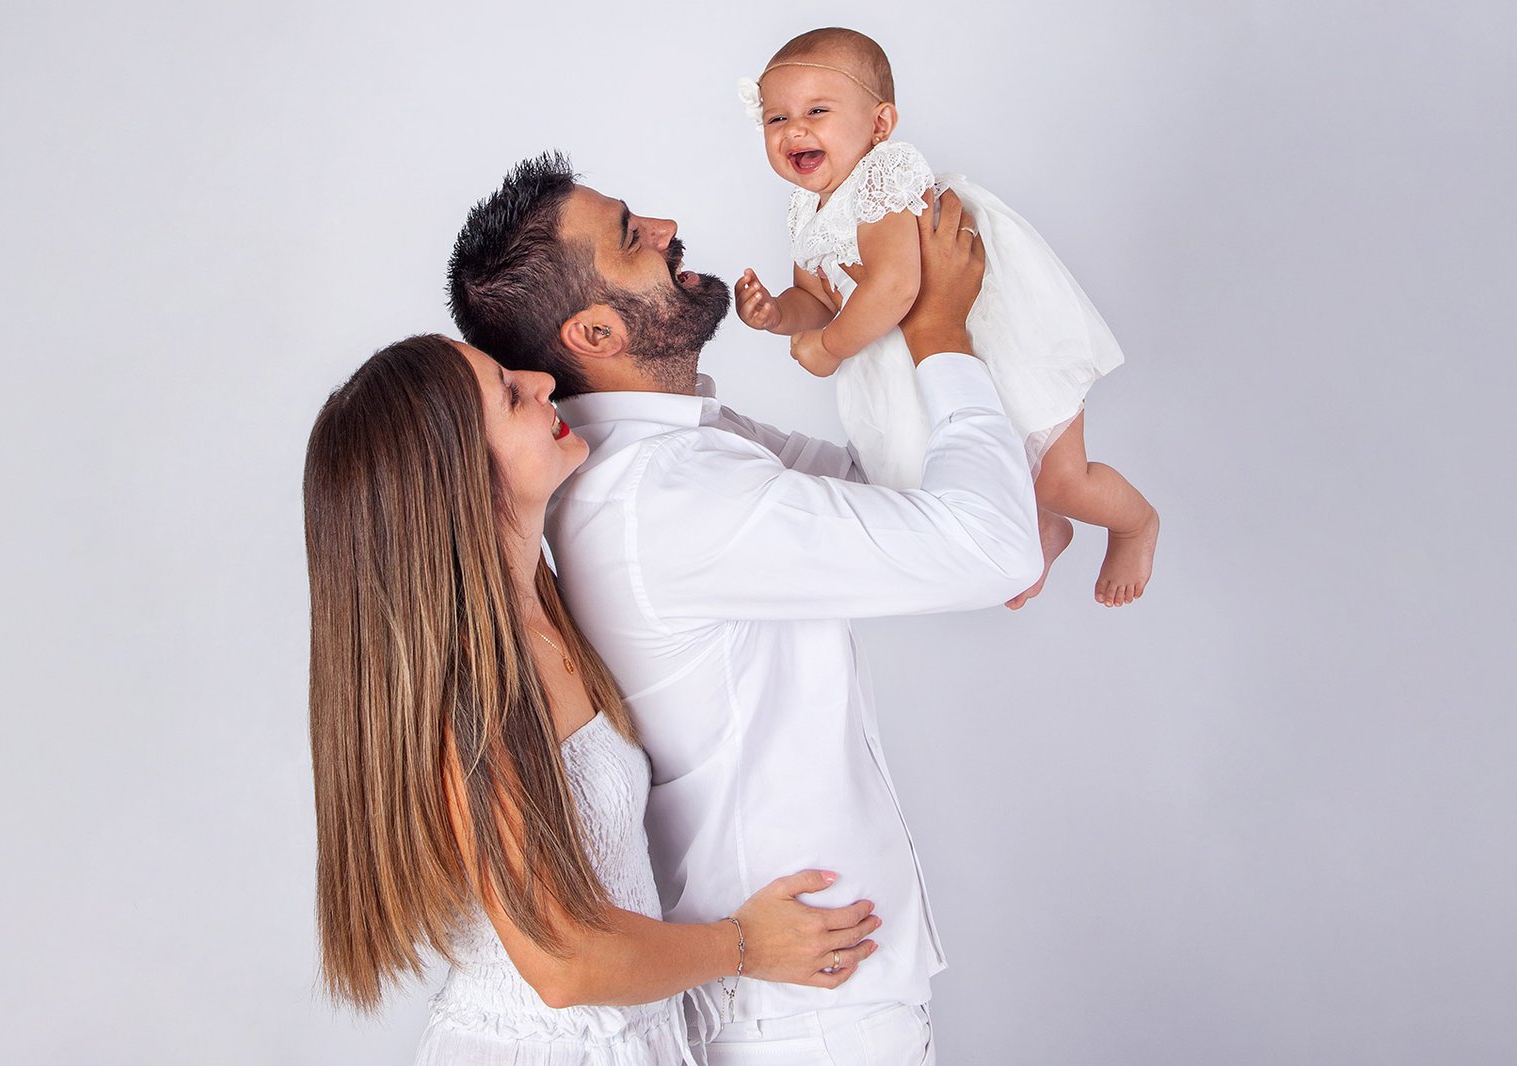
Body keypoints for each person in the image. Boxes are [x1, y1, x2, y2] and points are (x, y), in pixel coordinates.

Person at [446, 153, 1041, 1063]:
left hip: (798, 984)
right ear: (597, 330)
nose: (665, 226)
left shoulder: (677, 451)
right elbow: (987, 547)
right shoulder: (673, 493)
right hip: (806, 1000)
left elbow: (889, 491)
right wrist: (942, 334)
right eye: (629, 235)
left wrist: (884, 302)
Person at [302, 334, 885, 1064]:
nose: (544, 381)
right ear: (455, 478)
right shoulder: (467, 696)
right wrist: (743, 945)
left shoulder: (549, 606)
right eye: (510, 394)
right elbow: (564, 963)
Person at [734, 27, 1160, 608]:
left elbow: (896, 285)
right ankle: (1042, 529)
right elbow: (820, 296)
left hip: (991, 339)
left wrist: (829, 347)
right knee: (974, 461)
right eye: (776, 119)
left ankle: (1134, 523)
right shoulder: (805, 207)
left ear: (880, 124)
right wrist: (781, 314)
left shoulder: (882, 179)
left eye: (817, 111)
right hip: (917, 360)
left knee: (1059, 475)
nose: (795, 130)